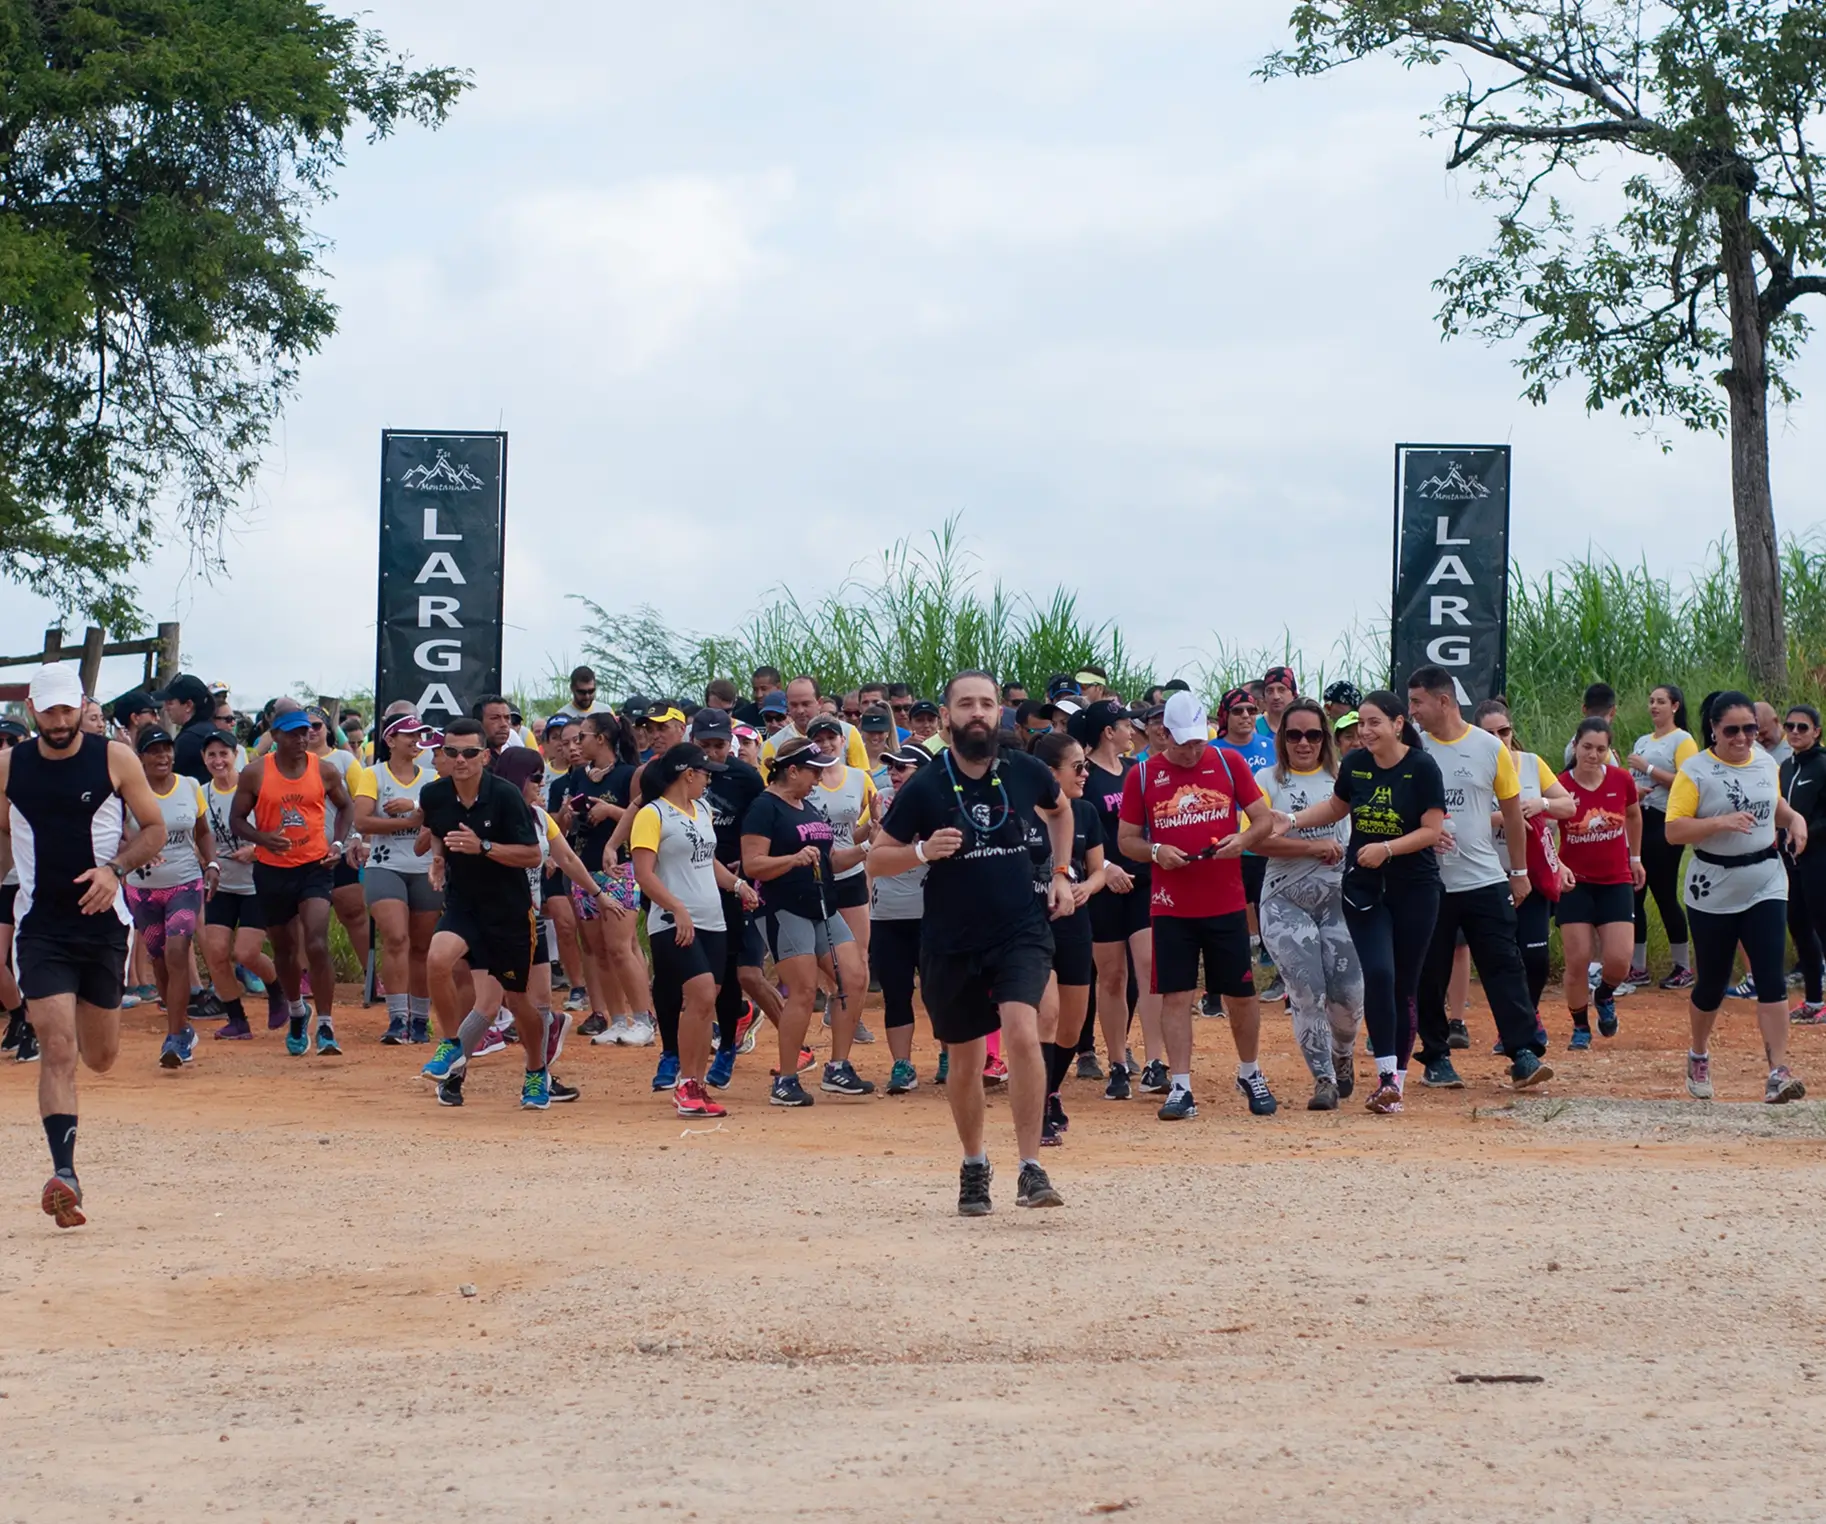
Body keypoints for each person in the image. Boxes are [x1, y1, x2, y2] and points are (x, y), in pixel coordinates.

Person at [872, 671, 1073, 1215]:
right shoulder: (926, 786)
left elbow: (1061, 810)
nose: (979, 712)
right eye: (967, 705)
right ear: (947, 718)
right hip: (951, 937)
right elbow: (876, 859)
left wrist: (1060, 871)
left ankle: (1031, 1167)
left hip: (1021, 931)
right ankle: (974, 1164)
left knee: (1022, 1030)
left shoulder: (1027, 770)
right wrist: (921, 853)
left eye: (987, 703)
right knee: (963, 1060)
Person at [1, 663, 167, 1228]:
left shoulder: (113, 758)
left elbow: (154, 830)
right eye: (48, 711)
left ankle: (66, 1161)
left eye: (68, 709)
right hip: (40, 928)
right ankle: (64, 1174)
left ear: (79, 705)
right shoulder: (9, 766)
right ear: (31, 711)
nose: (59, 720)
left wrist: (114, 871)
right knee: (57, 1047)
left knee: (100, 1057)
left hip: (102, 927)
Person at [1278, 690, 1446, 1114]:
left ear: (1397, 725)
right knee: (1378, 972)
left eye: (1374, 723)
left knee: (1403, 985)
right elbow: (1336, 807)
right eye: (1361, 725)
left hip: (1415, 889)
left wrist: (1386, 849)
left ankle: (1396, 1087)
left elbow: (1431, 831)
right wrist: (1293, 820)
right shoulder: (1355, 765)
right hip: (1364, 889)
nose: (1365, 733)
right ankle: (1386, 1076)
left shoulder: (1422, 768)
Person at [1117, 690, 1277, 1122]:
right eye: (1182, 742)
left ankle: (1250, 1072)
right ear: (1163, 733)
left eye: (1197, 741)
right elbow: (1126, 839)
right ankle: (1182, 1087)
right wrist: (1155, 852)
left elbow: (1263, 819)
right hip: (1171, 905)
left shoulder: (1228, 762)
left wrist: (1241, 841)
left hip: (1224, 901)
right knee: (1175, 996)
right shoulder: (1144, 775)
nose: (1191, 751)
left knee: (1241, 993)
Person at [1405, 665, 1554, 1090]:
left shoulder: (1490, 747)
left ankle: (1523, 1052)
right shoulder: (1413, 750)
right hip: (1428, 882)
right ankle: (1436, 1056)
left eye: (1417, 702)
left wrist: (1520, 873)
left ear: (1444, 701)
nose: (1411, 711)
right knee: (1429, 973)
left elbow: (1512, 812)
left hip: (1484, 878)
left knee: (1505, 965)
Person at [1665, 691, 1809, 1103]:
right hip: (1713, 885)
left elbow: (1773, 804)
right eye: (1732, 730)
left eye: (1750, 728)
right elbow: (1674, 830)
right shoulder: (1695, 771)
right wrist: (1719, 822)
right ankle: (1698, 1052)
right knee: (1711, 982)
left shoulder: (1766, 761)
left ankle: (1778, 1072)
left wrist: (1794, 818)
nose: (1743, 737)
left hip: (1766, 878)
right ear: (1713, 729)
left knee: (1770, 976)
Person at [415, 720, 556, 1109]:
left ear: (486, 756)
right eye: (451, 752)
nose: (460, 760)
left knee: (517, 1001)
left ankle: (535, 1070)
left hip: (508, 910)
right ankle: (450, 1046)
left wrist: (484, 846)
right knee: (437, 960)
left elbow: (532, 855)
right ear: (442, 754)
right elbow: (439, 830)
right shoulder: (435, 794)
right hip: (463, 904)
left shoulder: (507, 796)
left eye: (469, 753)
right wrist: (439, 861)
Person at [742, 736, 874, 1104]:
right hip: (784, 907)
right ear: (792, 770)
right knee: (801, 990)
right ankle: (785, 1079)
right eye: (813, 770)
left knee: (854, 976)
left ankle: (838, 1067)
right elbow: (753, 865)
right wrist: (792, 860)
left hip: (821, 905)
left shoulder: (807, 806)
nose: (819, 777)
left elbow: (828, 862)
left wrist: (866, 848)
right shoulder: (764, 808)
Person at [1252, 698, 1362, 1109]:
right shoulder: (1266, 781)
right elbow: (1255, 841)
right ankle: (1324, 1079)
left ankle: (1344, 1055)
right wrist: (1314, 847)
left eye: (1312, 734)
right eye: (1294, 734)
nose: (1303, 743)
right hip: (1285, 898)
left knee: (1349, 997)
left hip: (1339, 899)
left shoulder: (1343, 778)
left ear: (1325, 738)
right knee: (1306, 990)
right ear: (1282, 738)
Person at [230, 702, 356, 1058]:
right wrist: (262, 839)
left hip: (315, 866)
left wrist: (337, 842)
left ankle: (327, 1026)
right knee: (284, 950)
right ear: (278, 735)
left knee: (316, 942)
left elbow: (346, 807)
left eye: (308, 730)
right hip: (272, 869)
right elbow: (236, 819)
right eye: (296, 732)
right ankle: (298, 1011)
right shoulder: (256, 773)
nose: (305, 737)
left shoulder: (325, 770)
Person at [630, 743, 739, 1118]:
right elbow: (643, 873)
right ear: (688, 773)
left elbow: (708, 861)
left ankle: (695, 1082)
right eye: (705, 773)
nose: (708, 780)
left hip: (712, 918)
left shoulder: (703, 810)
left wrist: (738, 886)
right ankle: (685, 1082)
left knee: (705, 1001)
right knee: (701, 992)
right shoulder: (652, 814)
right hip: (673, 921)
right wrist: (676, 907)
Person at [1473, 700, 1573, 1035]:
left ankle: (1528, 1015)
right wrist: (1505, 817)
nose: (1500, 739)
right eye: (1490, 733)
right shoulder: (1470, 769)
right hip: (1488, 875)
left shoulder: (1530, 763)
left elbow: (1568, 805)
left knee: (1535, 956)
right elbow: (1454, 820)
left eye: (1505, 731)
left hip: (1530, 874)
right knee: (1503, 957)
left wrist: (1539, 803)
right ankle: (1514, 1027)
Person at [691, 707, 778, 1082]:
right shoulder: (683, 776)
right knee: (701, 975)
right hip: (694, 881)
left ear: (732, 743)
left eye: (719, 745)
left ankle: (727, 1046)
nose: (712, 752)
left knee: (732, 971)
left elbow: (761, 823)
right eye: (704, 745)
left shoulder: (746, 778)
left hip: (734, 881)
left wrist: (748, 861)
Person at [123, 726, 216, 1068]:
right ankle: (182, 1027)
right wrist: (136, 851)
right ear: (141, 757)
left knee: (178, 952)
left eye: (167, 750)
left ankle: (175, 1037)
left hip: (185, 882)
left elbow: (203, 831)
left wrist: (213, 863)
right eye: (154, 751)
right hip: (142, 888)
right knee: (159, 960)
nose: (163, 757)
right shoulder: (127, 791)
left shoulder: (189, 787)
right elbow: (114, 837)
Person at [1082, 699, 1159, 1098]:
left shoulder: (1136, 771)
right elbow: (1077, 828)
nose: (1133, 731)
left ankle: (1156, 1062)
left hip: (1143, 880)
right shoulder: (1086, 775)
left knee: (1148, 967)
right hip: (1105, 884)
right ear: (1108, 732)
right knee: (1112, 976)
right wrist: (1105, 867)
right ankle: (1115, 1062)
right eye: (1126, 725)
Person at [1031, 732, 1105, 1146]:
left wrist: (1088, 887)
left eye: (1086, 765)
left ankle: (1052, 1087)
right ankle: (1038, 1107)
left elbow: (1096, 869)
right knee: (1048, 1012)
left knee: (1072, 1028)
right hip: (1031, 925)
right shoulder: (1020, 812)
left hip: (1075, 922)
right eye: (1077, 766)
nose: (1085, 772)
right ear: (1050, 773)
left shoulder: (1086, 812)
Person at [352, 711, 442, 1045]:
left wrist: (415, 811)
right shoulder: (372, 774)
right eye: (409, 734)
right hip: (384, 864)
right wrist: (415, 820)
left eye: (420, 734)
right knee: (396, 939)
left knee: (421, 947)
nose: (417, 740)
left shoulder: (431, 778)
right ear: (390, 740)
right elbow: (362, 822)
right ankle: (397, 1018)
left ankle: (419, 1019)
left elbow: (441, 818)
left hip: (424, 867)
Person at [562, 712, 651, 1045]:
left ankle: (643, 1019)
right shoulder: (577, 777)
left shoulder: (630, 774)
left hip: (619, 868)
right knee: (598, 949)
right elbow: (563, 826)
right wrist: (568, 814)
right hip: (584, 869)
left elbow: (644, 817)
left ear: (601, 739)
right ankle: (617, 1020)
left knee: (619, 947)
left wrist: (610, 811)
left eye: (581, 736)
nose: (576, 744)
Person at [1557, 717, 1645, 1049]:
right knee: (1578, 958)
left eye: (1601, 749)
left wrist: (1634, 858)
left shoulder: (1621, 780)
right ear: (1575, 746)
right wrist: (1556, 867)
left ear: (1610, 750)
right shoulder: (1560, 784)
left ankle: (1605, 994)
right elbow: (1546, 831)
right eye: (1587, 747)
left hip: (1615, 879)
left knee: (1620, 960)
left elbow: (1634, 815)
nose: (1593, 755)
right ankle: (1580, 1026)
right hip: (1574, 883)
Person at [198, 729, 283, 1040]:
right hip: (221, 883)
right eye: (212, 755)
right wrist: (208, 861)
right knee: (216, 952)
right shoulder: (202, 793)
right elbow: (200, 835)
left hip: (256, 883)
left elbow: (279, 830)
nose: (218, 760)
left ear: (236, 755)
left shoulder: (254, 789)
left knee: (246, 953)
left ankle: (277, 990)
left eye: (224, 753)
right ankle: (237, 1019)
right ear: (204, 759)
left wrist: (257, 850)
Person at [806, 713, 877, 1038]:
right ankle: (837, 998)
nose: (825, 743)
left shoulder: (859, 778)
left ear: (843, 740)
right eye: (818, 739)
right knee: (828, 955)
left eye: (830, 737)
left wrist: (872, 829)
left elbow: (859, 831)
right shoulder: (804, 780)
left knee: (859, 953)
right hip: (815, 875)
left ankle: (852, 1016)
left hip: (851, 872)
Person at [1627, 684, 1699, 989]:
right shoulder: (1643, 740)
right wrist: (1634, 788)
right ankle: (1637, 967)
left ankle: (1683, 966)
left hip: (1665, 821)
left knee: (1664, 892)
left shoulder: (1682, 740)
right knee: (1634, 892)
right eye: (1651, 701)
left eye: (1661, 701)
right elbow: (1634, 778)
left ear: (1675, 706)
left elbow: (1689, 782)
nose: (1654, 706)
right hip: (1638, 819)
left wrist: (1650, 768)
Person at [1213, 687, 1282, 1005]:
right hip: (1225, 845)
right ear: (1225, 715)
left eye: (1251, 711)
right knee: (1227, 915)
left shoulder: (1271, 747)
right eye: (1238, 711)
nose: (1245, 716)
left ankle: (1283, 981)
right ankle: (1224, 987)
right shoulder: (1211, 750)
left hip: (1267, 843)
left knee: (1275, 911)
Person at [869, 745, 931, 1096]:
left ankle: (948, 1056)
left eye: (903, 768)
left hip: (931, 911)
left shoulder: (936, 803)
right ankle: (902, 1064)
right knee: (896, 992)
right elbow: (874, 854)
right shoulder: (881, 800)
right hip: (888, 912)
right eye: (891, 767)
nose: (894, 774)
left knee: (938, 992)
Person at [305, 705, 370, 999]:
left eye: (317, 725)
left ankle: (371, 976)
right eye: (302, 727)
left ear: (328, 729)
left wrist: (357, 837)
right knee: (303, 919)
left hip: (341, 848)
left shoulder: (344, 760)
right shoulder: (288, 762)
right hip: (302, 853)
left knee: (354, 912)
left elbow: (363, 799)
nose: (310, 732)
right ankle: (305, 976)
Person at [1779, 705, 1826, 1022]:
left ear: (1817, 732)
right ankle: (1812, 1000)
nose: (1795, 732)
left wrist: (1807, 833)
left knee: (1824, 927)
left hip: (1819, 857)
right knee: (1798, 926)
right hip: (1789, 858)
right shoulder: (1784, 766)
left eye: (1803, 727)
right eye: (1790, 726)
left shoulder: (1823, 765)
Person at [760, 676, 870, 770]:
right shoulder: (773, 744)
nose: (800, 711)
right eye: (794, 705)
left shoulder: (848, 732)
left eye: (805, 704)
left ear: (819, 703)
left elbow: (863, 779)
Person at [153, 673, 219, 784]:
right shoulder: (209, 729)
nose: (165, 708)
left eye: (170, 702)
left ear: (188, 705)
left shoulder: (189, 740)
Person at [1257, 666, 1298, 738]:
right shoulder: (1255, 727)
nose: (1276, 697)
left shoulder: (1303, 726)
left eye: (1281, 690)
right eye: (1270, 691)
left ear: (1293, 694)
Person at [1756, 700, 1792, 766]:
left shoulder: (1794, 747)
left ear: (1776, 721)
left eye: (1763, 733)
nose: (1760, 739)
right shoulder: (1751, 749)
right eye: (1755, 735)